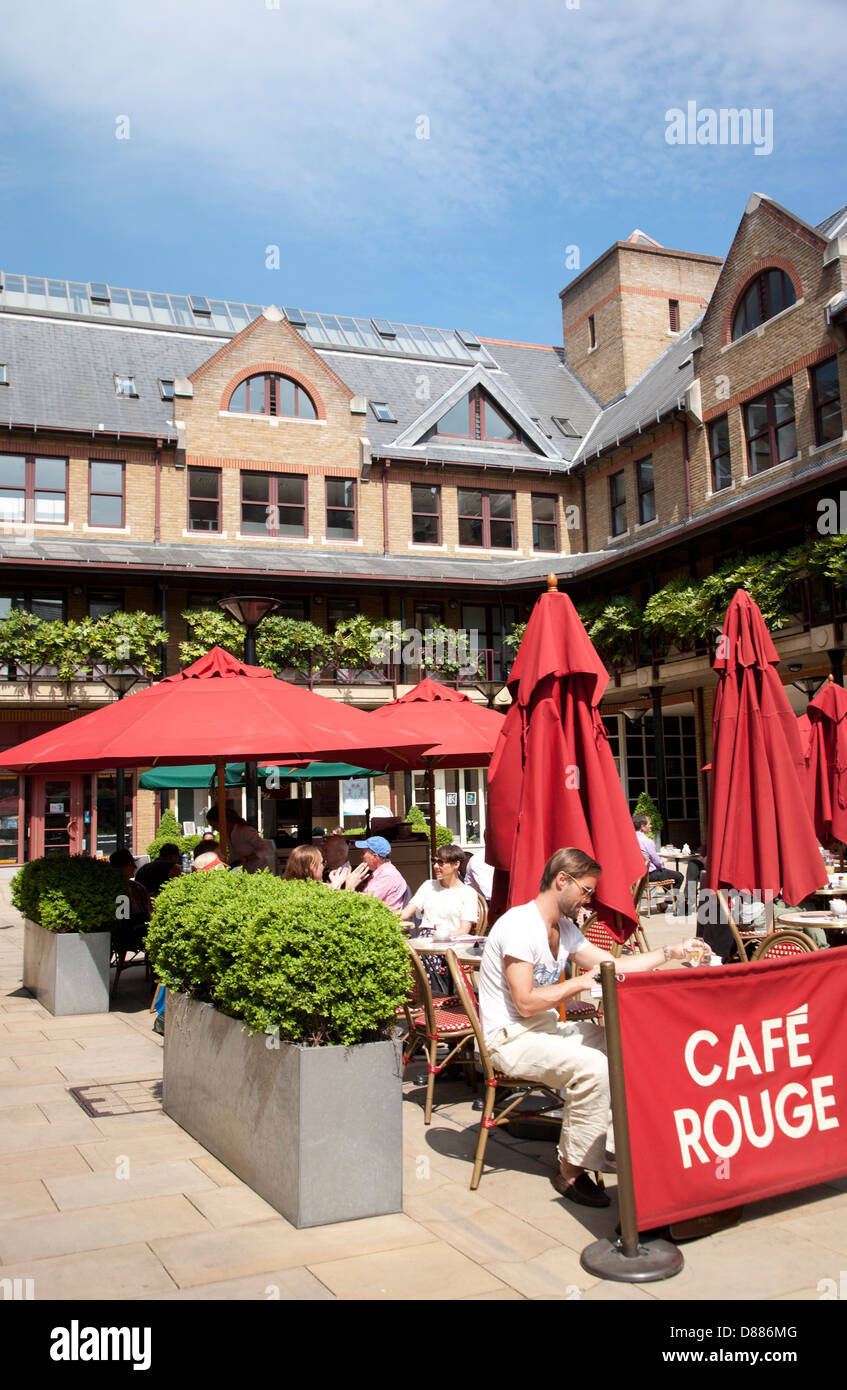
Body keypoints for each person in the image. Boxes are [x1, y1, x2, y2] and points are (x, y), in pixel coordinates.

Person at [477, 846, 701, 1208]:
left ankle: (610, 1145)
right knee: (594, 1067)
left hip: (545, 1033)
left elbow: (613, 965)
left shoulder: (564, 929)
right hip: (510, 1039)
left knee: (626, 1043)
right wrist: (579, 984)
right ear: (561, 880)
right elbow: (525, 1002)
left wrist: (671, 952)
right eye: (586, 890)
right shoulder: (519, 926)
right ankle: (570, 1171)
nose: (589, 899)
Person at [399, 843, 480, 995]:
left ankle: (428, 996)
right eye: (434, 861)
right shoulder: (428, 885)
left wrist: (439, 936)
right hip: (424, 941)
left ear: (456, 864)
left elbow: (464, 930)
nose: (436, 866)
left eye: (441, 862)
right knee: (406, 952)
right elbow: (406, 913)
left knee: (419, 958)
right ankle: (431, 995)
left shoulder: (468, 893)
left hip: (451, 942)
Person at [334, 835, 408, 909]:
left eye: (363, 853)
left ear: (375, 857)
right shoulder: (381, 872)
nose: (361, 856)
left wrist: (350, 886)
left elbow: (363, 905)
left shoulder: (387, 876)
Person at [633, 813, 684, 914]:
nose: (650, 826)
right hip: (649, 875)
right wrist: (663, 867)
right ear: (642, 827)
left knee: (667, 875)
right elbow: (657, 862)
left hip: (635, 875)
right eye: (649, 824)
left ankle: (666, 903)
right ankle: (667, 903)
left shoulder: (630, 840)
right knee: (678, 876)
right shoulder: (647, 841)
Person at [206, 806, 274, 873]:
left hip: (260, 869)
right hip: (246, 871)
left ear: (223, 821)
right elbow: (234, 856)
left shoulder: (246, 831)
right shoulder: (227, 833)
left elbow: (265, 849)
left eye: (214, 825)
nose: (214, 829)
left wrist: (247, 858)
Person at [109, 848, 153, 952]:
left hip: (133, 928)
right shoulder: (119, 890)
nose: (135, 867)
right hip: (132, 933)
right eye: (131, 864)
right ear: (122, 867)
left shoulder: (131, 887)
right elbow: (123, 920)